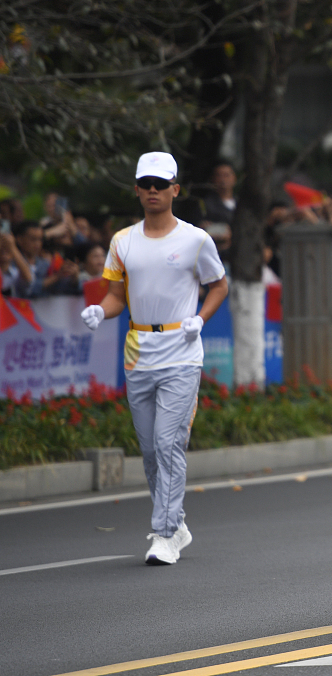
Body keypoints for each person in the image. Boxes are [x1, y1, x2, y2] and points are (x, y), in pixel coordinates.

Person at [81, 152, 228, 565]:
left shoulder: (196, 239)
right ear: (137, 190)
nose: (152, 191)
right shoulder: (122, 242)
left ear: (174, 190)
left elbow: (219, 285)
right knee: (149, 450)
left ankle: (163, 534)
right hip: (138, 352)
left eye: (160, 185)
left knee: (168, 443)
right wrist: (100, 311)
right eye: (145, 184)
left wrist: (199, 318)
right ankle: (176, 522)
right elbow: (114, 296)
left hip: (181, 353)